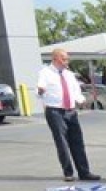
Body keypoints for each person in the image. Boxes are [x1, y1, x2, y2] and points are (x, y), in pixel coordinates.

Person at [37, 48, 99, 181]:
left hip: (71, 111)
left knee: (78, 141)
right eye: (64, 59)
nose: (67, 61)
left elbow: (75, 91)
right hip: (55, 111)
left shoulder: (69, 74)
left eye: (67, 59)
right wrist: (41, 91)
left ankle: (84, 172)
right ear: (55, 59)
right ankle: (68, 172)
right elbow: (40, 89)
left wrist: (82, 101)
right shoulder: (45, 73)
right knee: (62, 142)